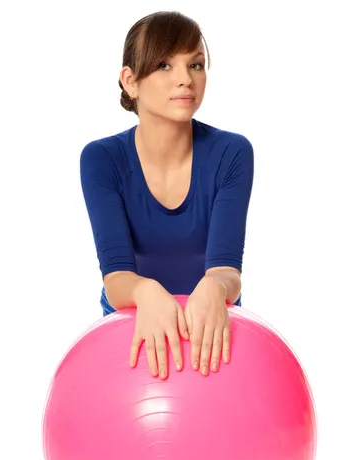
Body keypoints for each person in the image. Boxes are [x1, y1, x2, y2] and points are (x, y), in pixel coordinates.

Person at [80, 10, 254, 381]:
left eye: (195, 64)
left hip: (216, 336)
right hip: (132, 336)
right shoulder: (101, 160)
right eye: (163, 65)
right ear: (130, 81)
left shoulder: (232, 153)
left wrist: (215, 284)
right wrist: (144, 291)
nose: (185, 79)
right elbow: (116, 280)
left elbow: (227, 271)